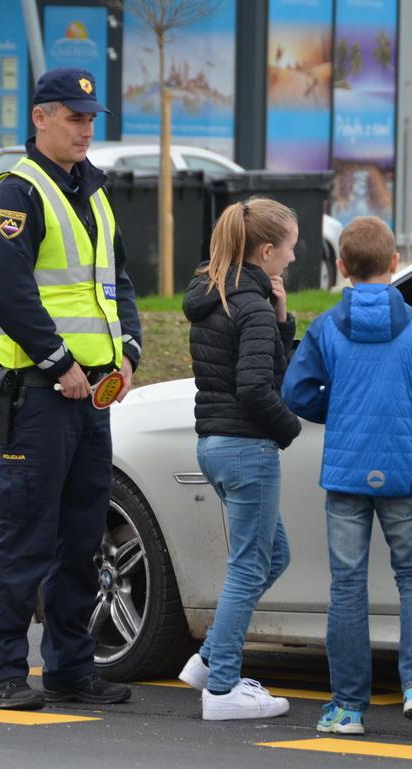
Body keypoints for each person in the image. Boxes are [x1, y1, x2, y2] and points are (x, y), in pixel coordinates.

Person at [0, 67, 142, 711]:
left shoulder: (92, 192)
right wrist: (57, 361)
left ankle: (72, 667)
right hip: (39, 395)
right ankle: (1, 674)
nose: (86, 127)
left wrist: (127, 351)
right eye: (74, 117)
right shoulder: (17, 194)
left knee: (81, 536)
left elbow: (116, 281)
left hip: (93, 393)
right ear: (40, 117)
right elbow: (7, 292)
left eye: (91, 117)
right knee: (25, 535)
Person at [282, 216, 412, 736]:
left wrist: (337, 412)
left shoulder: (325, 328)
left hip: (344, 474)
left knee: (346, 586)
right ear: (394, 263)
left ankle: (346, 708)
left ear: (341, 267)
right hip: (404, 472)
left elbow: (296, 393)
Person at [175, 197, 302, 721]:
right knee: (250, 566)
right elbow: (257, 385)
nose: (293, 260)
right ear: (267, 250)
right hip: (248, 447)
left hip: (215, 445)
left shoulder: (219, 298)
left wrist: (282, 318)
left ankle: (208, 663)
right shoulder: (247, 307)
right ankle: (224, 688)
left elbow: (256, 364)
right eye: (290, 249)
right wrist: (289, 428)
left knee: (273, 557)